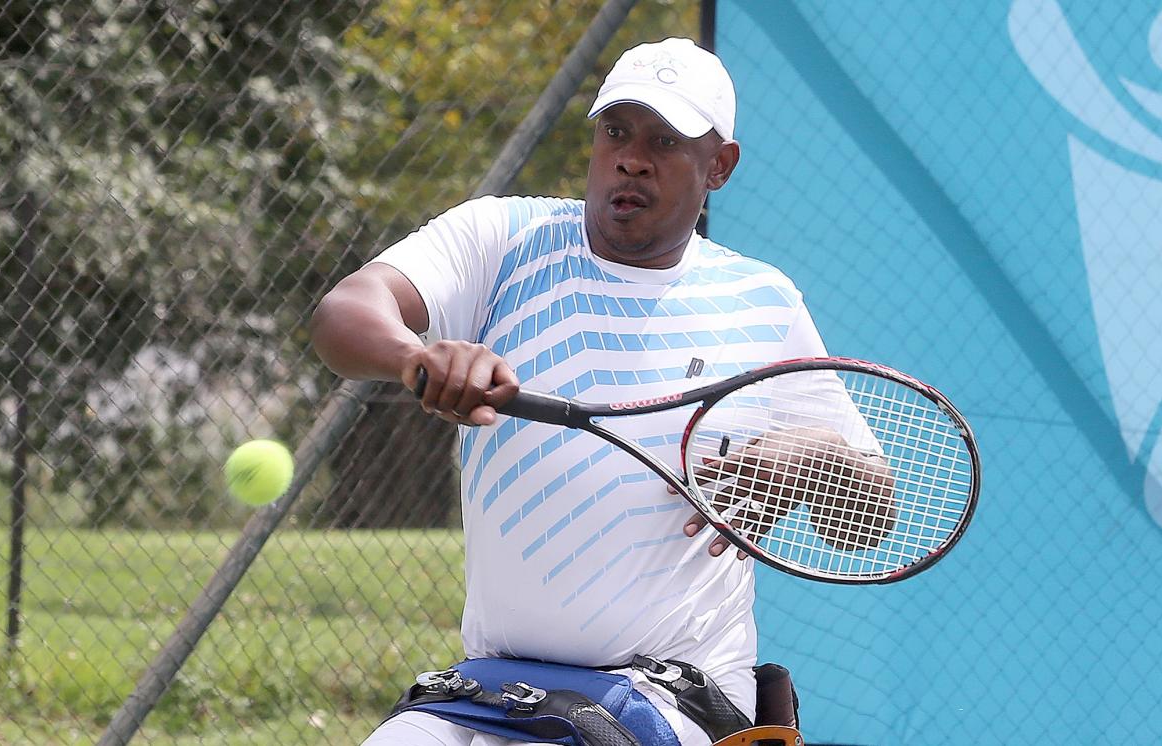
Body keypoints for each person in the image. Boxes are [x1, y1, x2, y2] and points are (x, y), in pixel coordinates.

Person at [312, 37, 839, 746]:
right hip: (494, 691)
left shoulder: (764, 302)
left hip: (675, 700)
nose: (630, 157)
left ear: (720, 166)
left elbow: (871, 514)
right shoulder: (502, 237)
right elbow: (344, 313)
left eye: (664, 140)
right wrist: (417, 357)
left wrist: (806, 455)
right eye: (615, 131)